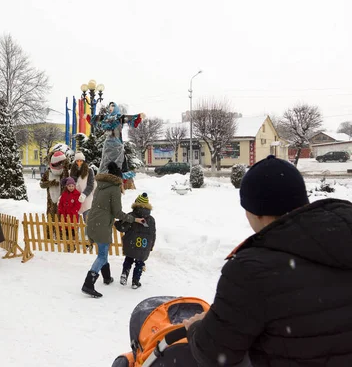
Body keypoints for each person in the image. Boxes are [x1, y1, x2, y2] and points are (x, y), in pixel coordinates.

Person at [183, 155, 352, 366]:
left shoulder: (251, 271)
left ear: (255, 212)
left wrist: (196, 328)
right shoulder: (342, 237)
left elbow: (214, 354)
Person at [81, 162, 145, 298]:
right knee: (102, 255)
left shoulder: (101, 186)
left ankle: (107, 277)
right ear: (118, 178)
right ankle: (88, 284)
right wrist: (134, 219)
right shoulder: (115, 188)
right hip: (102, 224)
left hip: (92, 221)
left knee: (102, 251)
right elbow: (117, 213)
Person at [88, 102, 145, 177]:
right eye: (110, 106)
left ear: (116, 108)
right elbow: (95, 119)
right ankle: (104, 175)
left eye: (112, 106)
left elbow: (130, 118)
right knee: (105, 160)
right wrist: (88, 117)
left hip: (117, 144)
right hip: (108, 144)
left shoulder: (120, 118)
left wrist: (138, 116)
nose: (110, 108)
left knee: (118, 160)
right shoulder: (106, 118)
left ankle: (117, 175)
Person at [114, 193, 156, 289]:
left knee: (128, 259)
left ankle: (124, 274)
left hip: (131, 243)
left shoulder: (131, 216)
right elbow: (153, 234)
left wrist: (116, 223)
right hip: (144, 244)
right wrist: (151, 245)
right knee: (140, 262)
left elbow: (122, 227)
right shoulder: (151, 219)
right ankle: (135, 282)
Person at [40, 151, 70, 217]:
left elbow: (68, 182)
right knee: (51, 219)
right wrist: (50, 183)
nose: (58, 166)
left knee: (61, 220)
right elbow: (41, 184)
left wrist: (65, 168)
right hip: (50, 203)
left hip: (63, 202)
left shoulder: (65, 172)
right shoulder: (48, 173)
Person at [57, 177, 81, 252]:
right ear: (67, 186)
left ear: (74, 186)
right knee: (66, 231)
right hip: (64, 216)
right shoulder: (64, 194)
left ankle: (72, 246)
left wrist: (72, 211)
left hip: (72, 216)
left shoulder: (77, 194)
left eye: (72, 186)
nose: (71, 187)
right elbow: (60, 203)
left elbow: (78, 205)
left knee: (73, 231)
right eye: (69, 186)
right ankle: (67, 245)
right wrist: (60, 210)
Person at [70, 152, 96, 221]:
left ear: (83, 161)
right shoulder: (72, 171)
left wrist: (84, 194)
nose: (79, 162)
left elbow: (90, 185)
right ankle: (76, 232)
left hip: (86, 198)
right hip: (75, 199)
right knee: (75, 222)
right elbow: (70, 184)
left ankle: (88, 232)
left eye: (81, 161)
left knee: (87, 221)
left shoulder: (89, 170)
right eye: (77, 161)